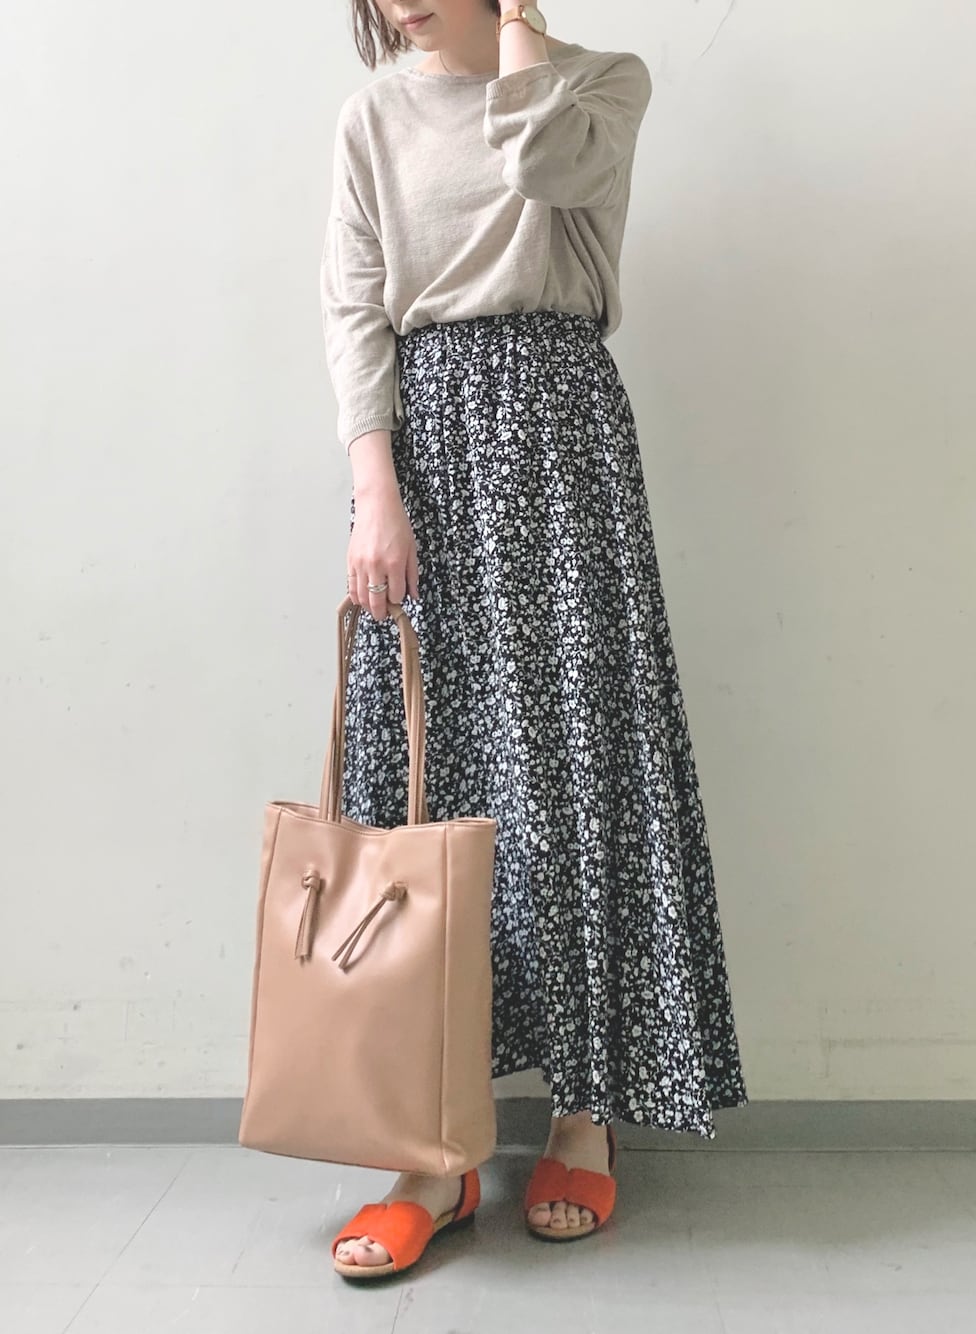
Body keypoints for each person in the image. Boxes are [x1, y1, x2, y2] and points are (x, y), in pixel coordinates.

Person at [321, 0, 749, 1280]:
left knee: (572, 780)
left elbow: (548, 167)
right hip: (425, 458)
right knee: (427, 791)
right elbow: (353, 309)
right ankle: (431, 1146)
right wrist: (374, 493)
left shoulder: (599, 83)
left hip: (562, 440)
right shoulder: (371, 117)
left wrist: (518, 35)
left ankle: (583, 1112)